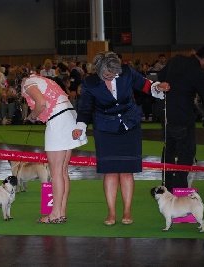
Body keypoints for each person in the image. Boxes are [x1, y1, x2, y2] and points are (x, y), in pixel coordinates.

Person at [72, 51, 169, 226]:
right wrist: (80, 127)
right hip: (105, 128)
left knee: (126, 170)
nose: (111, 76)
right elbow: (86, 108)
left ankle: (127, 210)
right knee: (110, 171)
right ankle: (111, 212)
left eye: (114, 73)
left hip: (129, 124)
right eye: (107, 75)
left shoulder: (127, 72)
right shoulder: (90, 83)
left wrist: (158, 87)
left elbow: (146, 85)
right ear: (99, 71)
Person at [21, 73, 85, 224]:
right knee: (62, 171)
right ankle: (61, 212)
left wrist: (32, 116)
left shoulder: (28, 83)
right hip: (69, 116)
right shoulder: (44, 80)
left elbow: (41, 104)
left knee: (56, 172)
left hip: (58, 121)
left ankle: (55, 214)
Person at [158, 45, 204, 191]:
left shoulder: (176, 59)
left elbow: (161, 77)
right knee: (186, 153)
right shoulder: (198, 73)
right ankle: (180, 188)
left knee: (169, 150)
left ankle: (167, 186)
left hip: (166, 113)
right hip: (183, 117)